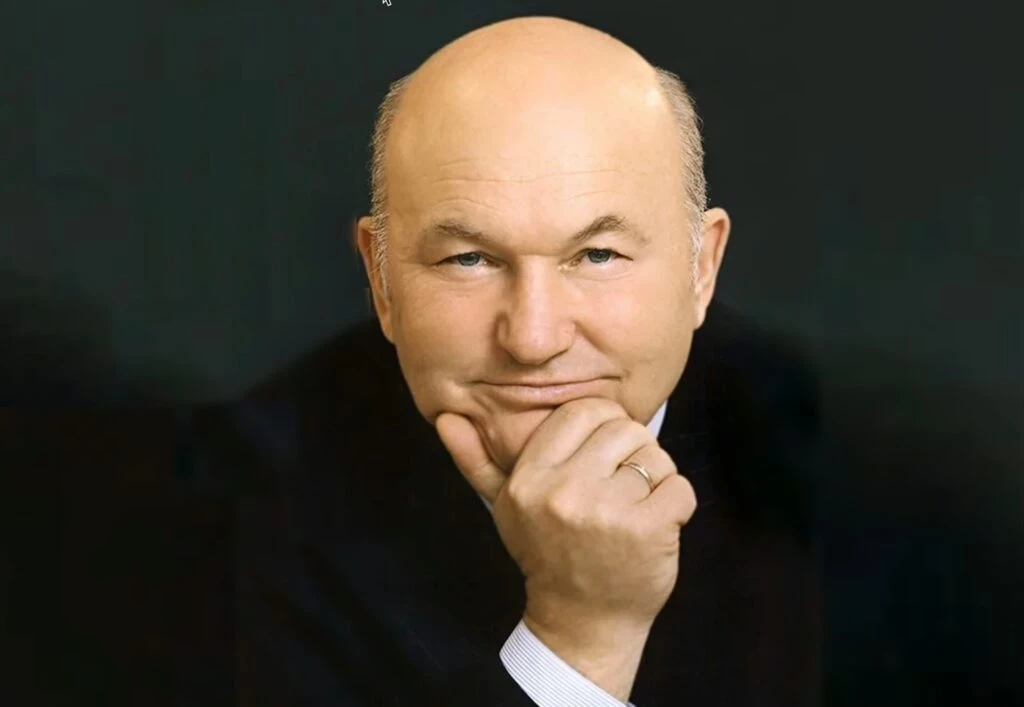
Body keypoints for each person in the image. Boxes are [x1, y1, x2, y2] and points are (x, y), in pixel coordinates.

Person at [217, 15, 824, 706]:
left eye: (598, 255)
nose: (533, 340)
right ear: (381, 282)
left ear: (701, 268)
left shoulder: (845, 495)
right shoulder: (233, 524)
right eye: (469, 260)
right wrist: (582, 638)